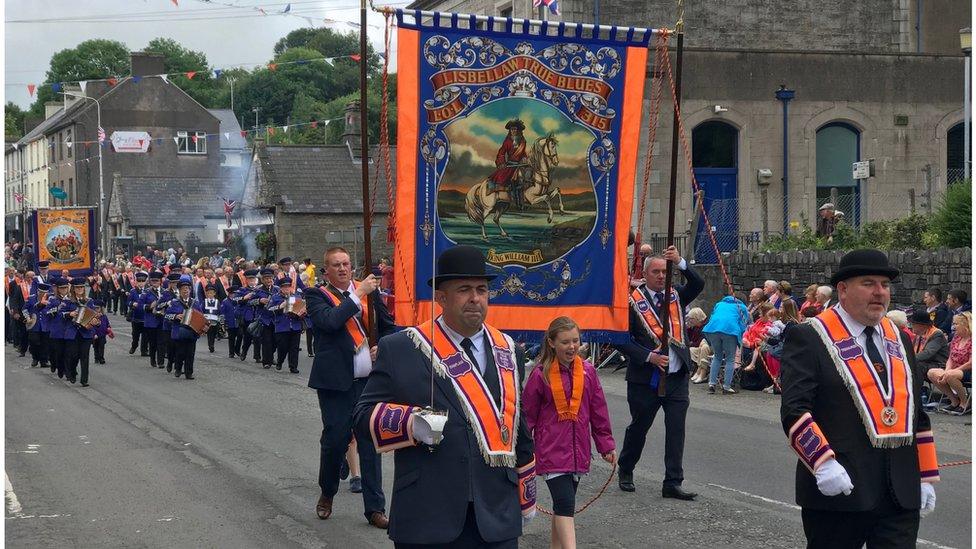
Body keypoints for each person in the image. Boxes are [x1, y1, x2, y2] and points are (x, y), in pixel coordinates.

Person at [353, 245, 536, 546]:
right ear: (441, 297)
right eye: (464, 289)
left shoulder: (509, 350)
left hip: (496, 514)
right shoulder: (401, 348)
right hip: (427, 514)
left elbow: (518, 427)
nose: (475, 298)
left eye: (481, 289)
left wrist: (525, 492)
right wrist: (412, 424)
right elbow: (362, 416)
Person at [780, 248, 939, 548]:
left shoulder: (899, 337)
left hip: (900, 493)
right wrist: (823, 463)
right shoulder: (810, 336)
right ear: (842, 289)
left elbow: (916, 412)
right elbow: (794, 410)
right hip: (840, 490)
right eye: (868, 283)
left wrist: (926, 475)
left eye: (885, 284)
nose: (879, 292)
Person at [308, 246, 395, 529]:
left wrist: (381, 345)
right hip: (336, 384)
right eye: (336, 265)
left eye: (346, 264)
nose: (343, 269)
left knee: (370, 444)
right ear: (326, 270)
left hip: (369, 383)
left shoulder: (367, 292)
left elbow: (386, 327)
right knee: (335, 442)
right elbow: (329, 322)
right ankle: (328, 492)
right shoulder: (317, 295)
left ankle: (375, 508)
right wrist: (357, 296)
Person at [616, 245, 704, 499]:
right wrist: (648, 356)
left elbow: (698, 284)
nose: (661, 276)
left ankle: (672, 481)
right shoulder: (632, 301)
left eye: (665, 272)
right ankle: (626, 468)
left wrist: (680, 262)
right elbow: (621, 340)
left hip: (676, 378)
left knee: (676, 429)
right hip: (645, 378)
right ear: (646, 274)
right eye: (656, 272)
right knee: (639, 427)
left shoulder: (676, 295)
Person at [522, 316, 615, 549]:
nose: (572, 347)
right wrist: (521, 450)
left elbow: (598, 410)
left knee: (563, 506)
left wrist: (606, 445)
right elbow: (527, 416)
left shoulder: (589, 372)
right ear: (551, 343)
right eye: (565, 342)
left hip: (578, 450)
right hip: (551, 449)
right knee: (565, 504)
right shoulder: (540, 374)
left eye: (575, 341)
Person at [702, 294, 750, 394]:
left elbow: (713, 316)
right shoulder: (742, 307)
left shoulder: (719, 304)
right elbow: (744, 323)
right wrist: (739, 336)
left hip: (713, 329)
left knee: (717, 357)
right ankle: (726, 386)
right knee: (730, 359)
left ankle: (712, 384)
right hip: (730, 331)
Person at [926, 312, 972, 415]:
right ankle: (954, 401)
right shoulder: (956, 338)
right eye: (953, 323)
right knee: (932, 373)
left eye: (956, 324)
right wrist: (946, 371)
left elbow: (971, 363)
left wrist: (952, 371)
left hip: (968, 370)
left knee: (950, 375)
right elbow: (950, 358)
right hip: (955, 369)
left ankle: (965, 403)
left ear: (966, 325)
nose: (953, 326)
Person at [165, 277, 205, 380]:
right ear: (179, 290)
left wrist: (203, 327)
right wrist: (175, 316)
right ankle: (178, 369)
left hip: (192, 332)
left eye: (187, 288)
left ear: (190, 290)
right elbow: (166, 316)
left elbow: (201, 315)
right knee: (180, 352)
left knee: (190, 353)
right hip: (179, 331)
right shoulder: (174, 302)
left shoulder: (194, 303)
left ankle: (189, 373)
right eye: (183, 288)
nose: (185, 290)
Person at [61, 277, 98, 386]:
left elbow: (93, 316)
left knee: (85, 356)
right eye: (77, 287)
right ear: (73, 288)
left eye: (82, 287)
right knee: (74, 355)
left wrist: (95, 323)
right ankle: (72, 372)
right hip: (73, 332)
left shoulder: (89, 301)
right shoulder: (67, 300)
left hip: (85, 333)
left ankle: (84, 380)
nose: (80, 289)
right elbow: (60, 313)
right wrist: (69, 314)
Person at [268, 277, 304, 373]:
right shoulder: (275, 297)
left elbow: (302, 309)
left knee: (294, 348)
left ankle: (293, 367)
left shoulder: (297, 296)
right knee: (283, 347)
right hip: (282, 326)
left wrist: (302, 311)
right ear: (280, 288)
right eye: (284, 287)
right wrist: (280, 306)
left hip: (295, 325)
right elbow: (269, 309)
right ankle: (280, 362)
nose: (286, 289)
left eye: (288, 287)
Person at [908, 310, 949, 377]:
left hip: (938, 364)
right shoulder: (919, 333)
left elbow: (928, 353)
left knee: (917, 366)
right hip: (925, 362)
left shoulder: (937, 334)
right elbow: (911, 350)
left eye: (913, 324)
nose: (911, 326)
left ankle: (915, 387)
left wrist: (909, 358)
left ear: (922, 325)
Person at [235, 269, 263, 363]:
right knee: (248, 336)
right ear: (246, 280)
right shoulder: (242, 290)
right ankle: (244, 352)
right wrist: (244, 298)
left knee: (258, 337)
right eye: (250, 280)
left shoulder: (259, 289)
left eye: (253, 279)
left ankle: (257, 356)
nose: (252, 281)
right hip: (247, 316)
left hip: (258, 315)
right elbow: (235, 299)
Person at [139, 272, 165, 368]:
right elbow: (140, 305)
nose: (155, 282)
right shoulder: (146, 292)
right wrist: (149, 307)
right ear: (150, 282)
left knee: (161, 342)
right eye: (153, 281)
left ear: (160, 281)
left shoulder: (164, 291)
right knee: (153, 342)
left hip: (162, 320)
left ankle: (161, 361)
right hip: (151, 321)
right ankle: (153, 359)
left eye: (157, 281)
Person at [24, 282, 52, 368]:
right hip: (34, 324)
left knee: (45, 343)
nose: (42, 294)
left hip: (45, 324)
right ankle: (35, 358)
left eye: (44, 293)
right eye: (40, 292)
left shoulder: (50, 300)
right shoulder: (31, 298)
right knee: (33, 341)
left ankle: (44, 360)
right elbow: (25, 309)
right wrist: (27, 317)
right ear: (37, 291)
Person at [128, 272, 149, 356]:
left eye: (142, 281)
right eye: (139, 281)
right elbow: (128, 301)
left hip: (145, 317)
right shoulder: (133, 291)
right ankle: (134, 345)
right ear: (136, 282)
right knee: (135, 335)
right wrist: (132, 304)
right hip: (136, 317)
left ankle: (144, 350)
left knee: (145, 336)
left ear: (145, 282)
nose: (141, 283)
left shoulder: (148, 291)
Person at [221, 283, 242, 358]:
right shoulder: (225, 301)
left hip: (238, 322)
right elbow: (222, 313)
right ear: (230, 294)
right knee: (231, 338)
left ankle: (237, 349)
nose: (235, 295)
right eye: (234, 293)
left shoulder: (238, 300)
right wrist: (223, 323)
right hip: (230, 322)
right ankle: (231, 352)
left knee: (240, 335)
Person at [91, 299, 114, 365]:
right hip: (95, 335)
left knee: (101, 346)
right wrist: (94, 334)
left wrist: (109, 328)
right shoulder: (92, 316)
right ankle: (96, 357)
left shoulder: (104, 316)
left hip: (102, 334)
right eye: (94, 308)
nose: (96, 309)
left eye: (98, 308)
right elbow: (91, 326)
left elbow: (107, 323)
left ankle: (101, 358)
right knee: (95, 347)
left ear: (101, 308)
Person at [201, 284, 221, 353]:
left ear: (214, 293)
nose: (210, 294)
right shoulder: (204, 301)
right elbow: (202, 310)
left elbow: (219, 311)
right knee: (210, 334)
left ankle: (212, 344)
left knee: (214, 333)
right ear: (206, 294)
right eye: (208, 293)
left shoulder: (217, 302)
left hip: (215, 321)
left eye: (211, 293)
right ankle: (211, 346)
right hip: (207, 321)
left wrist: (220, 319)